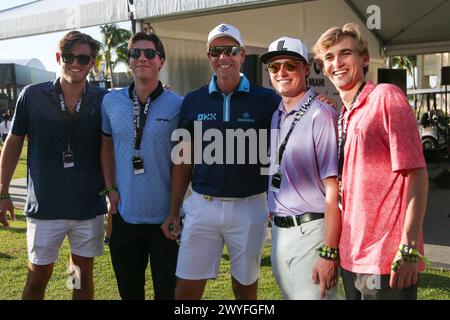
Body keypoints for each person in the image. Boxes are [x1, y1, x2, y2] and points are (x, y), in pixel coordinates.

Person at [162, 23, 281, 300]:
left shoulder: (267, 100)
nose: (223, 57)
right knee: (186, 291)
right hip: (203, 206)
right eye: (216, 51)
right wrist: (173, 210)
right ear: (209, 56)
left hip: (250, 206)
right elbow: (183, 161)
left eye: (230, 50)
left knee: (244, 289)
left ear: (241, 54)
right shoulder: (193, 101)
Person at [313, 23, 429, 300]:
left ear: (364, 59)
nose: (337, 63)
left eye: (345, 54)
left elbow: (417, 173)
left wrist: (409, 246)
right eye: (329, 58)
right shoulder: (343, 114)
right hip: (351, 257)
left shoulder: (385, 97)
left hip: (388, 259)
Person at [0, 31, 107, 300]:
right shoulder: (33, 96)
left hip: (87, 206)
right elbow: (13, 144)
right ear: (59, 58)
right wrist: (2, 192)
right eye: (69, 56)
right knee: (37, 278)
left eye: (83, 58)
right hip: (45, 206)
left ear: (92, 62)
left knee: (80, 277)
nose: (76, 63)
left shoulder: (104, 99)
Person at [101, 32, 183, 300]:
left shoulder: (179, 104)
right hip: (125, 215)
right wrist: (110, 188)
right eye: (136, 53)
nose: (142, 58)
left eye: (149, 53)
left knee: (166, 294)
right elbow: (106, 146)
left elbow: (185, 160)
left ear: (161, 61)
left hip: (166, 218)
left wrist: (176, 209)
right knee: (130, 292)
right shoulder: (110, 101)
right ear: (130, 61)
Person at [260, 36, 341, 299]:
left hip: (311, 232)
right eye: (274, 67)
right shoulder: (276, 115)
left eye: (290, 65)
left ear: (306, 68)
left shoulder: (322, 115)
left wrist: (329, 252)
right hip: (280, 234)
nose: (281, 72)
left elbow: (334, 189)